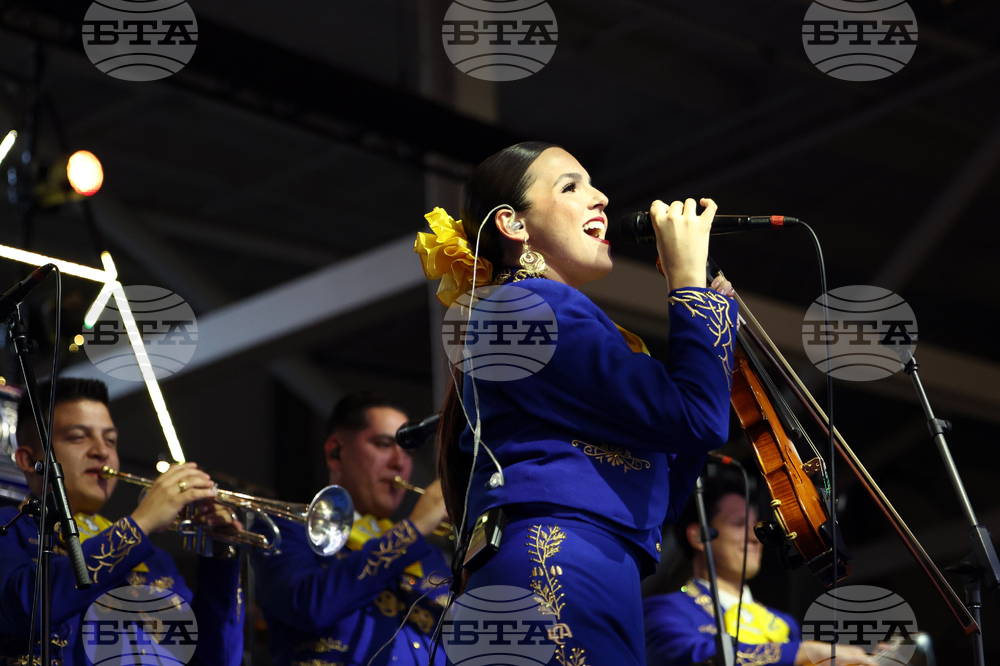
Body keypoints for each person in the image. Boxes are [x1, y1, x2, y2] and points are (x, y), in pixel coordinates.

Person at [416, 141, 739, 665]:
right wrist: (688, 289)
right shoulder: (526, 308)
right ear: (514, 225)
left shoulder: (547, 314)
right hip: (559, 562)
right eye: (571, 187)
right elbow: (695, 417)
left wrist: (712, 327)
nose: (602, 199)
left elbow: (666, 487)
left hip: (595, 566)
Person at [0, 378, 243, 665]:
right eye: (78, 436)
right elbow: (24, 608)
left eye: (110, 440)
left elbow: (215, 659)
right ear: (28, 460)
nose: (102, 451)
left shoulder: (156, 560)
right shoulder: (9, 527)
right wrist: (141, 523)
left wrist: (221, 561)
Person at [250, 392, 451, 666]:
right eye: (383, 444)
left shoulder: (428, 555)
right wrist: (412, 530)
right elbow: (310, 606)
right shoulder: (286, 527)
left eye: (407, 450)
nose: (399, 462)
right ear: (336, 453)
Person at [644, 476, 885, 666]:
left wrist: (861, 658)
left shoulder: (783, 623)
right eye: (739, 525)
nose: (755, 538)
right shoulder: (663, 611)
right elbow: (697, 656)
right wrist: (808, 650)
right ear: (699, 536)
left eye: (756, 527)